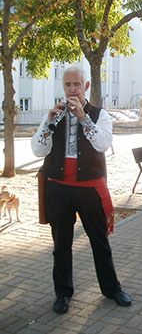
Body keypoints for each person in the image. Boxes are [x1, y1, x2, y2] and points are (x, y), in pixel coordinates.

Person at [31, 66, 131, 314]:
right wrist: (49, 124)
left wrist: (84, 118)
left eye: (76, 84)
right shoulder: (54, 114)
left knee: (99, 242)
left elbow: (102, 144)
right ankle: (63, 293)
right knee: (60, 244)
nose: (72, 89)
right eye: (67, 85)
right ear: (63, 87)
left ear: (86, 87)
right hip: (59, 189)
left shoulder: (100, 115)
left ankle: (112, 289)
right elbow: (37, 150)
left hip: (89, 190)